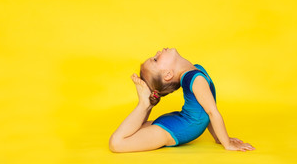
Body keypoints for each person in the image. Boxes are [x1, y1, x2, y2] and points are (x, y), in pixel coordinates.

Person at [109, 47, 255, 153]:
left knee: (126, 136)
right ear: (168, 74)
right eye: (155, 59)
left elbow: (206, 110)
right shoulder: (194, 78)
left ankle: (146, 103)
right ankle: (144, 103)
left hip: (175, 122)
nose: (158, 52)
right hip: (169, 131)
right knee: (116, 143)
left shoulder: (195, 71)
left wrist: (219, 138)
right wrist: (227, 143)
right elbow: (212, 112)